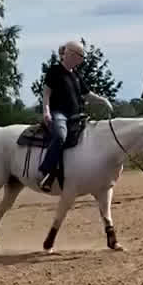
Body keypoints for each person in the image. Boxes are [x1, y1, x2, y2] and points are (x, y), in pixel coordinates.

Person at [39, 40, 85, 191]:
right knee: (60, 136)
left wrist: (103, 100)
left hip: (76, 115)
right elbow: (46, 93)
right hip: (59, 114)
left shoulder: (76, 75)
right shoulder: (54, 70)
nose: (82, 59)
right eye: (81, 56)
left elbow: (88, 93)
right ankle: (46, 172)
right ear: (71, 54)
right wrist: (46, 110)